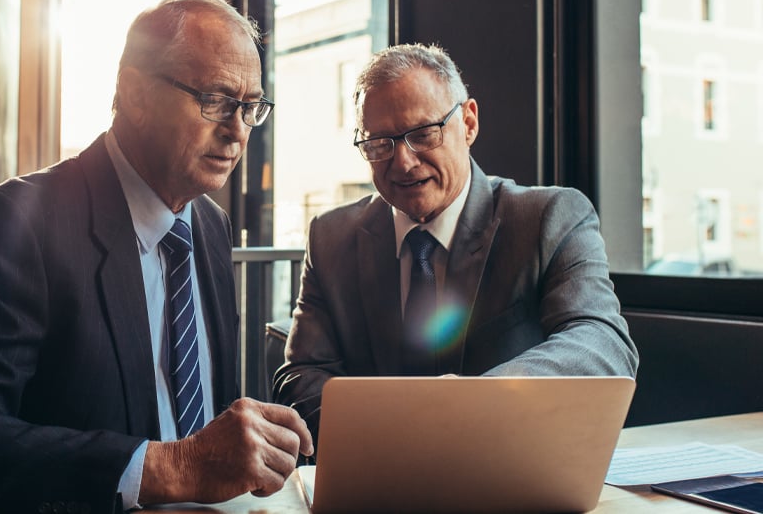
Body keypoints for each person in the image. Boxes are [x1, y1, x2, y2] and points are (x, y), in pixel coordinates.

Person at [0, 0, 312, 514]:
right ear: (135, 93)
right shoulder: (12, 223)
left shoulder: (211, 225)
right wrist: (174, 467)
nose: (238, 129)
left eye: (250, 107)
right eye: (215, 99)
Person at [273, 43, 639, 444]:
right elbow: (301, 375)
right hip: (379, 477)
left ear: (468, 123)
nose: (403, 163)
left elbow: (603, 344)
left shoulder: (549, 217)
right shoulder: (330, 237)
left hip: (510, 469)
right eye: (379, 144)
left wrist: (472, 402)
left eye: (423, 134)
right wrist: (392, 431)